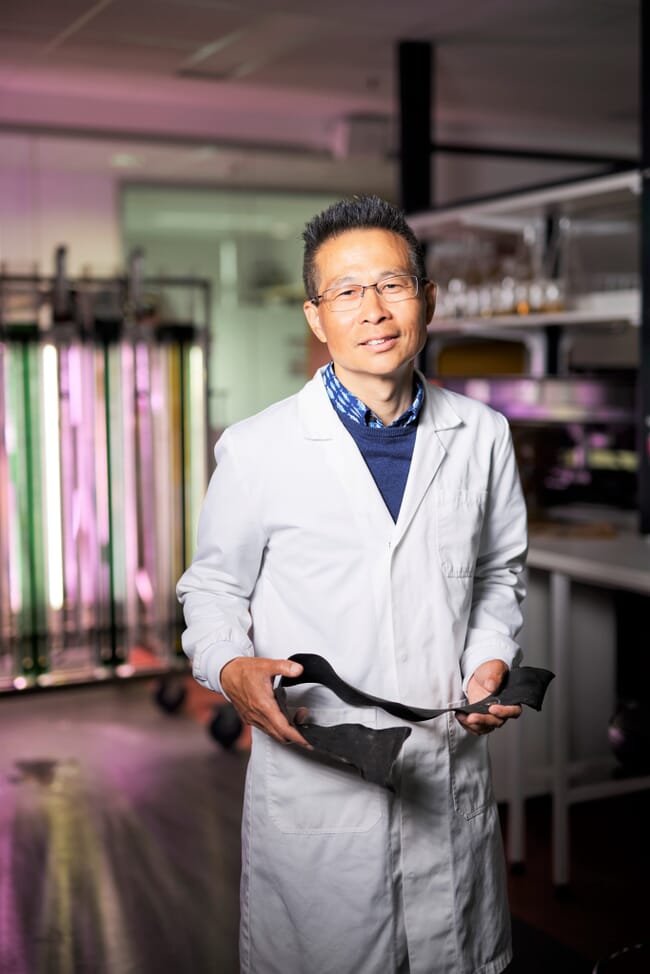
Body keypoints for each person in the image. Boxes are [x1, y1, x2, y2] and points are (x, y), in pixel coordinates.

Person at [177, 195, 528, 974]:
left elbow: (497, 574)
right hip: (320, 786)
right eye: (346, 292)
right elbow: (211, 590)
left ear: (427, 300)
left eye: (393, 285)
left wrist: (490, 657)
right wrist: (231, 668)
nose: (374, 310)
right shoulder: (258, 449)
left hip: (446, 764)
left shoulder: (482, 436)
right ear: (315, 316)